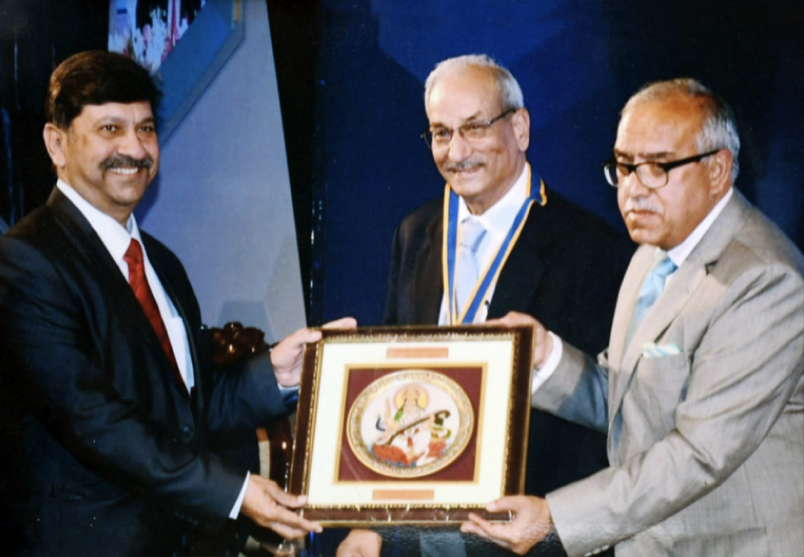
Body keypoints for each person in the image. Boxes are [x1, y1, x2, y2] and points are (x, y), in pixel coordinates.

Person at [0, 50, 353, 556]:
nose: (134, 148)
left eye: (145, 129)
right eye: (109, 129)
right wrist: (234, 492)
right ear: (57, 144)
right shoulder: (25, 262)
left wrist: (276, 374)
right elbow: (97, 422)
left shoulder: (159, 262)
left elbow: (189, 411)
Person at [460, 78, 804, 556]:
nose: (633, 190)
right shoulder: (651, 252)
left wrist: (554, 518)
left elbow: (697, 454)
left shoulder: (765, 280)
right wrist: (545, 355)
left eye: (658, 168)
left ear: (718, 170)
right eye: (623, 167)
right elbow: (632, 399)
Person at [338, 54, 633, 556]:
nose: (457, 151)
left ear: (519, 128)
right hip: (420, 531)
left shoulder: (590, 248)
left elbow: (615, 412)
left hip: (523, 531)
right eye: (440, 132)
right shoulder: (415, 233)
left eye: (474, 128)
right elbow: (394, 388)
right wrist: (371, 523)